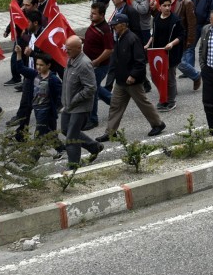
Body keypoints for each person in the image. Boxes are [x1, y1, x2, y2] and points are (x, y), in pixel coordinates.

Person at [99, 13, 164, 140]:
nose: (113, 28)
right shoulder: (119, 38)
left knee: (143, 104)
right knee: (115, 105)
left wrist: (133, 76)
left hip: (132, 81)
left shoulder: (132, 39)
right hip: (121, 81)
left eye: (115, 25)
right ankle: (110, 132)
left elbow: (140, 61)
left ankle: (158, 124)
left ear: (123, 25)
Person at [60, 36, 104, 168]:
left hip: (80, 107)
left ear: (79, 48)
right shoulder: (71, 59)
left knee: (71, 138)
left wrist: (75, 99)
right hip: (68, 105)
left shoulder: (84, 64)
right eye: (66, 49)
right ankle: (94, 146)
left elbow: (91, 88)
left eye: (69, 49)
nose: (66, 52)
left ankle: (73, 165)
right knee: (65, 129)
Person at [148, 0, 184, 110]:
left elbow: (182, 35)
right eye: (165, 6)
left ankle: (171, 101)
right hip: (158, 53)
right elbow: (154, 34)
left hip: (170, 53)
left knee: (169, 78)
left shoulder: (175, 20)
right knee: (157, 77)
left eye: (169, 5)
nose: (167, 8)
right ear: (160, 7)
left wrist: (172, 44)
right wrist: (148, 44)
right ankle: (163, 98)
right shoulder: (157, 17)